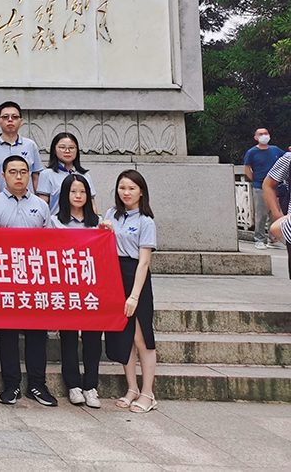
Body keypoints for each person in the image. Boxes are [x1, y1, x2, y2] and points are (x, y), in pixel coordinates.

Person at [0, 155, 56, 406]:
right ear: (3, 175)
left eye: (23, 172)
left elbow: (50, 242)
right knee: (7, 333)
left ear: (30, 175)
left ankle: (37, 384)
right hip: (4, 278)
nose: (18, 176)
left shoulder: (40, 205)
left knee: (36, 333)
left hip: (34, 278)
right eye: (13, 172)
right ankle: (11, 385)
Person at [101, 170, 158, 414]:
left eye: (132, 188)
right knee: (124, 335)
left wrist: (134, 296)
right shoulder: (111, 215)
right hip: (114, 276)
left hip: (136, 277)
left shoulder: (146, 221)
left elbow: (144, 262)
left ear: (141, 192)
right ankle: (132, 388)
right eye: (122, 187)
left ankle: (148, 392)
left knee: (141, 336)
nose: (126, 192)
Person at [54, 175, 103, 409]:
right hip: (67, 287)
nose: (78, 196)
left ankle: (91, 385)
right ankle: (73, 384)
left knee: (93, 338)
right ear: (65, 194)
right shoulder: (55, 222)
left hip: (92, 287)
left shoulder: (98, 223)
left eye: (82, 192)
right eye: (73, 191)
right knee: (69, 337)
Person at [0, 101, 42, 193]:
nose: (10, 120)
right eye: (5, 117)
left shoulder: (30, 145)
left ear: (21, 121)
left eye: (15, 117)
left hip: (27, 199)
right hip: (1, 199)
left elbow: (36, 177)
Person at [244, 128, 285, 248]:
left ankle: (274, 239)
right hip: (260, 187)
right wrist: (257, 181)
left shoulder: (275, 150)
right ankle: (259, 239)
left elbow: (286, 159)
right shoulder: (252, 152)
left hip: (276, 187)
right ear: (256, 138)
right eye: (261, 134)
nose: (264, 135)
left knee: (274, 213)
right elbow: (247, 169)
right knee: (261, 214)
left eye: (266, 133)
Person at [36, 132, 92, 215]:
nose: (67, 151)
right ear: (54, 150)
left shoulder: (85, 176)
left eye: (71, 148)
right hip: (56, 221)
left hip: (82, 222)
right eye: (62, 147)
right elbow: (42, 206)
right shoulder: (47, 174)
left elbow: (92, 204)